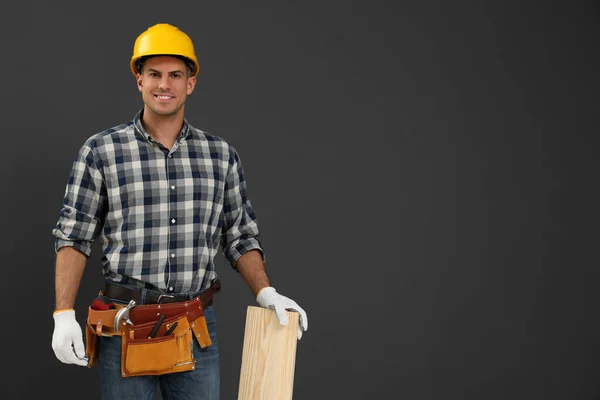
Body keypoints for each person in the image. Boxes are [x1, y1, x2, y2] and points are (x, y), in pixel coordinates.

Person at [51, 23, 308, 400]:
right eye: (154, 74)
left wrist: (266, 291)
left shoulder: (220, 156)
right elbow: (73, 235)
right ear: (138, 79)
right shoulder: (101, 152)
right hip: (126, 327)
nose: (164, 85)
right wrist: (62, 314)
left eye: (175, 75)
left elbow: (240, 235)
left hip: (195, 327)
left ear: (191, 83)